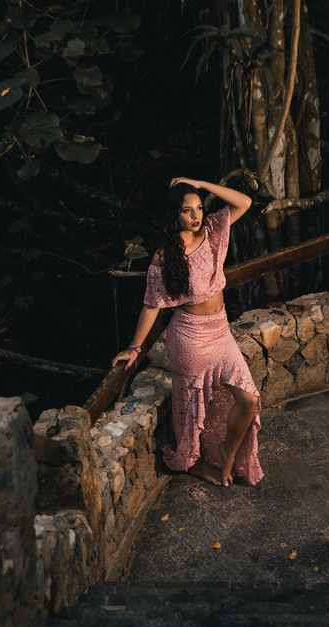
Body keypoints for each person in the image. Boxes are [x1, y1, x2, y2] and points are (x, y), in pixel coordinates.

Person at [112, 177, 263, 487]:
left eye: (198, 208)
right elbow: (152, 305)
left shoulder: (213, 230)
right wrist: (135, 347)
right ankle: (192, 463)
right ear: (173, 215)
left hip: (221, 330)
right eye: (187, 211)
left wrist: (202, 183)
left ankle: (227, 452)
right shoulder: (165, 257)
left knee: (248, 399)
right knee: (193, 405)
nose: (196, 216)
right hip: (189, 338)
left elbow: (244, 202)